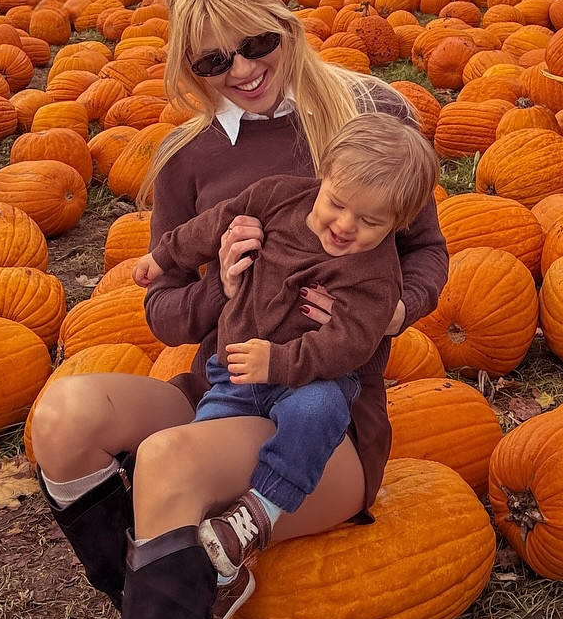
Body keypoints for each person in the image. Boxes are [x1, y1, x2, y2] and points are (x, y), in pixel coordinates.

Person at [29, 0, 449, 619]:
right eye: (214, 62)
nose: (243, 71)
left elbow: (429, 252)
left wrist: (377, 314)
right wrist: (220, 277)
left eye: (256, 43)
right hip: (221, 385)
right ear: (187, 65)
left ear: (283, 19)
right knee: (62, 419)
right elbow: (168, 308)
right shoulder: (187, 163)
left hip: (324, 427)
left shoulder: (367, 118)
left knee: (170, 470)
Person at [143, 112, 440, 579]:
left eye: (369, 221)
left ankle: (261, 509)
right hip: (238, 369)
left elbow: (349, 346)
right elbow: (215, 223)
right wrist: (163, 256)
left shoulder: (378, 275)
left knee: (317, 412)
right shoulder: (277, 196)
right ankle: (202, 553)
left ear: (398, 224)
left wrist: (278, 362)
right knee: (203, 448)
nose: (344, 225)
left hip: (313, 378)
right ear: (324, 173)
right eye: (337, 203)